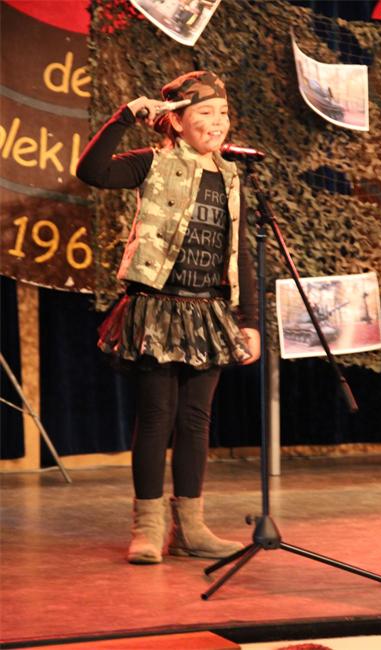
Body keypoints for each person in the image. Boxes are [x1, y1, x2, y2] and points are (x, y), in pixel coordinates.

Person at [76, 71, 260, 565]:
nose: (217, 122)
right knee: (157, 416)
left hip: (208, 310)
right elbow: (92, 171)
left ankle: (191, 529)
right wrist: (123, 117)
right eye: (205, 113)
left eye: (223, 113)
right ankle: (148, 527)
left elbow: (239, 252)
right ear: (177, 122)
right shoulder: (152, 163)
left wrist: (250, 320)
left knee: (196, 420)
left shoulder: (230, 176)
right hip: (159, 305)